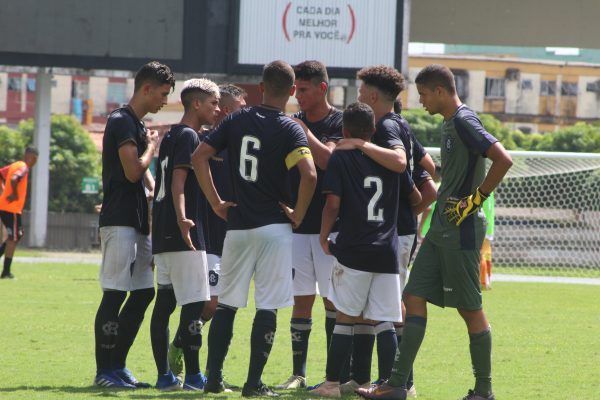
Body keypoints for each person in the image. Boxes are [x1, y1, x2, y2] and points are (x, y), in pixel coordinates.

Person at [356, 64, 513, 400]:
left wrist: (475, 200)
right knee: (412, 297)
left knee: (470, 309)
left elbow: (502, 159)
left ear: (440, 91)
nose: (421, 101)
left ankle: (484, 391)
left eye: (424, 94)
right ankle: (397, 385)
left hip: (462, 230)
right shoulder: (448, 122)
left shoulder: (464, 120)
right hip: (440, 227)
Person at [192, 60, 317, 397]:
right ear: (291, 91)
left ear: (261, 87)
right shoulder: (292, 128)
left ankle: (214, 380)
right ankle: (252, 384)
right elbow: (310, 174)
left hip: (238, 227)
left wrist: (216, 202)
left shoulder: (234, 120)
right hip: (275, 228)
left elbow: (199, 156)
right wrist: (299, 214)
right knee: (268, 306)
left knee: (228, 305)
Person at [309, 102, 420, 398]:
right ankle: (391, 385)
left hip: (354, 248)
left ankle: (332, 384)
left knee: (345, 316)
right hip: (387, 250)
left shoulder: (341, 159)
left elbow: (332, 204)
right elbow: (417, 195)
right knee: (386, 319)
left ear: (344, 130)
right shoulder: (390, 159)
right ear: (373, 130)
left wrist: (323, 236)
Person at [339, 65, 432, 395]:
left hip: (394, 233)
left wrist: (359, 146)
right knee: (378, 307)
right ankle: (368, 378)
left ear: (373, 95)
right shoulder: (401, 124)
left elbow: (399, 162)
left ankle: (400, 382)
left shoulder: (386, 127)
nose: (359, 95)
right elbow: (429, 172)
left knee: (390, 309)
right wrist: (411, 208)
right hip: (395, 230)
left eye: (362, 91)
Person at [94, 61, 175, 389]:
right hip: (119, 221)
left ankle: (119, 365)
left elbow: (148, 183)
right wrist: (153, 148)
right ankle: (104, 370)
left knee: (143, 294)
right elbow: (132, 172)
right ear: (146, 88)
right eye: (163, 93)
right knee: (114, 294)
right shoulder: (121, 121)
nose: (165, 101)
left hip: (139, 222)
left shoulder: (138, 127)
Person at [167, 84, 248, 388]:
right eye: (241, 106)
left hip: (236, 237)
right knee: (212, 304)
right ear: (227, 110)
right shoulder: (202, 144)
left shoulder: (243, 145)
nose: (246, 110)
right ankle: (188, 360)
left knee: (226, 305)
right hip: (209, 236)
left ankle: (189, 352)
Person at [276, 60, 343, 390]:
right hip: (297, 227)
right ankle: (298, 374)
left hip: (331, 230)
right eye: (294, 89)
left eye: (303, 89)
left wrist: (299, 130)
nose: (297, 95)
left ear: (322, 88)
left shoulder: (341, 122)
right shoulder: (292, 122)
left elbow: (328, 160)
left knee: (333, 300)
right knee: (301, 299)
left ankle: (334, 375)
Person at [150, 78, 220, 391]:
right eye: (212, 103)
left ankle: (165, 377)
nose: (216, 109)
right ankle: (193, 377)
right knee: (195, 303)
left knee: (164, 305)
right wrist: (183, 219)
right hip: (184, 232)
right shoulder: (190, 136)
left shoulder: (171, 135)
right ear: (196, 104)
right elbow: (178, 182)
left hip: (163, 232)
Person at [0, 147, 39, 279]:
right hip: (12, 209)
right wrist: (14, 194)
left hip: (6, 207)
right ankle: (5, 272)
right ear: (33, 158)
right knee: (14, 238)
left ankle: (5, 271)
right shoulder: (24, 167)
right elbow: (14, 179)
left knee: (16, 235)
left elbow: (0, 174)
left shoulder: (15, 165)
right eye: (35, 160)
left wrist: (3, 189)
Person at [480, 193, 495, 290]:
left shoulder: (481, 190)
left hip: (483, 226)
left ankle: (483, 282)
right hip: (490, 227)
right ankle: (488, 280)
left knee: (481, 254)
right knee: (487, 254)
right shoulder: (491, 191)